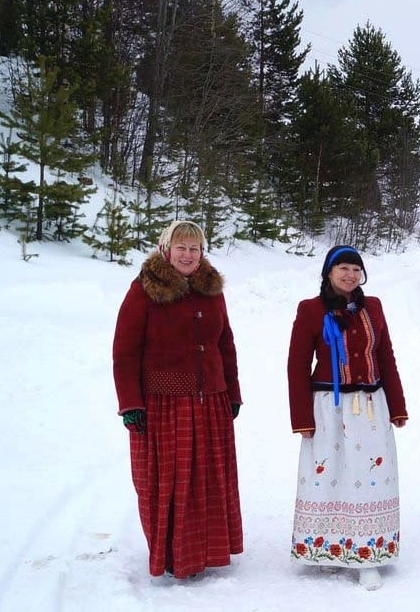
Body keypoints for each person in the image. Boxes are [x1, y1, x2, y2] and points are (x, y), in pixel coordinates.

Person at [112, 220, 244, 580]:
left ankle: (207, 550)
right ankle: (171, 554)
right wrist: (131, 404)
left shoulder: (212, 290)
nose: (188, 255)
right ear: (166, 248)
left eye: (195, 248)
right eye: (181, 247)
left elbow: (225, 344)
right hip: (163, 404)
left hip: (210, 400)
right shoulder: (144, 290)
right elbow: (125, 351)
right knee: (167, 483)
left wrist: (232, 392)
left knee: (207, 480)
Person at [287, 245, 408, 591]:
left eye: (356, 269)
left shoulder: (374, 308)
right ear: (328, 272)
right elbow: (297, 365)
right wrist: (301, 417)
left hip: (370, 406)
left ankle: (368, 555)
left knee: (369, 478)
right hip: (328, 407)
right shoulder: (311, 310)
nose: (350, 275)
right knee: (329, 476)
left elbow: (386, 356)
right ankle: (327, 549)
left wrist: (397, 406)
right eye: (343, 267)